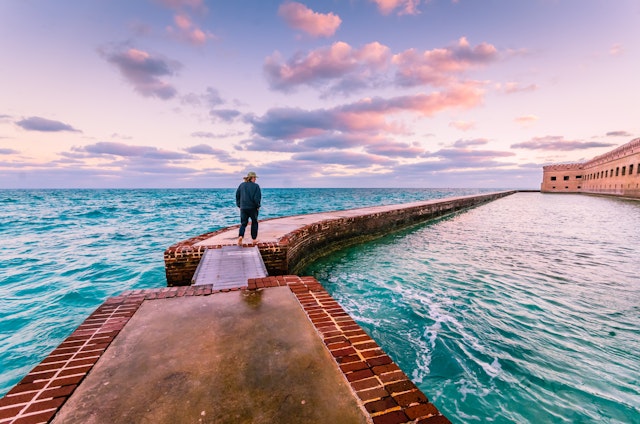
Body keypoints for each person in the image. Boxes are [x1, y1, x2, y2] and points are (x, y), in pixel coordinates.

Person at [235, 171, 261, 245]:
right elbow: (257, 198)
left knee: (243, 223)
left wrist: (239, 205)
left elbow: (237, 196)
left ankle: (240, 236)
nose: (255, 179)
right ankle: (254, 239)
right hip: (252, 208)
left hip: (243, 207)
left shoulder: (241, 185)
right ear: (252, 178)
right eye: (255, 178)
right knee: (254, 222)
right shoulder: (256, 186)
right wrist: (258, 206)